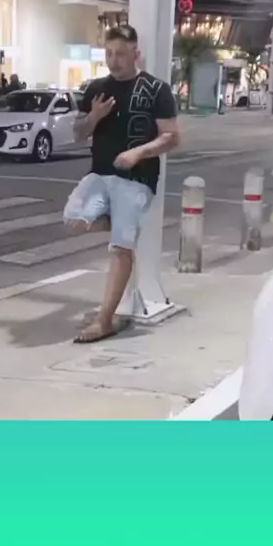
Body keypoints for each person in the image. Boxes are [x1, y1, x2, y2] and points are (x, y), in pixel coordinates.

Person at [64, 25, 180, 344]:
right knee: (73, 219)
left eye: (120, 54)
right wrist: (94, 116)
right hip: (100, 174)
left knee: (120, 247)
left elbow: (172, 137)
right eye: (109, 53)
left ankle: (105, 321)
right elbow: (78, 134)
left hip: (136, 178)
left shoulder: (156, 90)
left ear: (135, 54)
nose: (114, 60)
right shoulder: (97, 89)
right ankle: (121, 228)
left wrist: (138, 153)